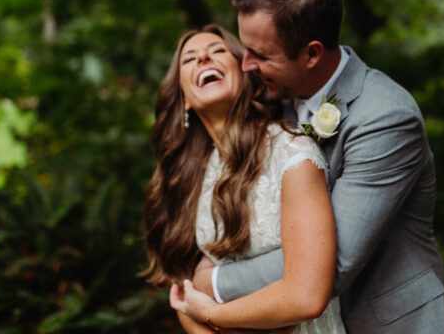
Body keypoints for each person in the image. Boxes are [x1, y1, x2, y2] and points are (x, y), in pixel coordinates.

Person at [191, 0, 444, 333]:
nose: (246, 64)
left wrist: (212, 283)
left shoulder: (385, 117)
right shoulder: (270, 102)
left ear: (311, 54)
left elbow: (329, 265)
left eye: (261, 55)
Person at [141, 24, 347, 333]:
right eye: (190, 59)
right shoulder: (196, 175)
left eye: (218, 51)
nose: (203, 60)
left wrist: (211, 313)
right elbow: (184, 299)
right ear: (183, 99)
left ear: (245, 74)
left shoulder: (292, 154)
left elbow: (307, 298)